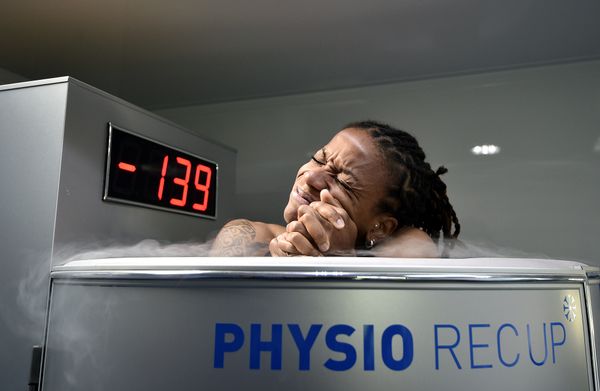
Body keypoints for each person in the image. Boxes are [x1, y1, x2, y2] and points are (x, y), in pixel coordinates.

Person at [210, 120, 460, 257]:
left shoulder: (408, 244)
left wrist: (341, 257)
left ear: (381, 227)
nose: (312, 178)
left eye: (342, 181)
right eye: (319, 159)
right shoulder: (248, 235)